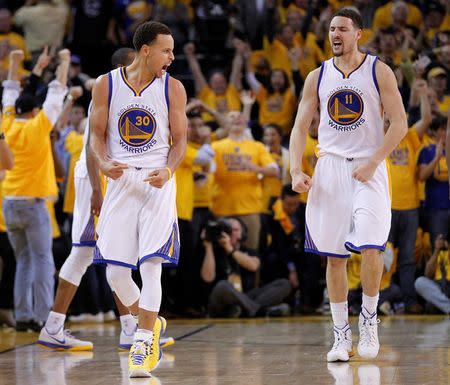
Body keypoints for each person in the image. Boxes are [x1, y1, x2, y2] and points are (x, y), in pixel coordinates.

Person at [290, 8, 407, 362]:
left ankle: (369, 320)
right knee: (334, 257)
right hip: (330, 167)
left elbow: (399, 123)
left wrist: (375, 161)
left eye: (342, 28)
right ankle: (341, 333)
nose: (335, 34)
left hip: (369, 166)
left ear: (360, 34)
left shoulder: (378, 70)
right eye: (331, 29)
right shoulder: (317, 76)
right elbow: (299, 127)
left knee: (373, 245)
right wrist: (296, 169)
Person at [90, 21, 187, 377]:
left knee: (150, 264)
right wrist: (102, 162)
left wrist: (169, 170)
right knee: (116, 274)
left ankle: (144, 342)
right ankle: (152, 321)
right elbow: (96, 137)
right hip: (120, 180)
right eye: (166, 50)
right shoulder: (106, 85)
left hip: (156, 181)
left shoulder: (172, 89)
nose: (172, 57)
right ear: (145, 50)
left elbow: (180, 141)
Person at [2, 48, 70, 331]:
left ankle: (24, 314)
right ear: (33, 111)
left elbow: (9, 89)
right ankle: (46, 318)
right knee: (43, 261)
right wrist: (63, 62)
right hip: (32, 203)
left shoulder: (5, 122)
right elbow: (58, 90)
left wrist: (15, 63)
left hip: (9, 204)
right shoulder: (39, 125)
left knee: (24, 261)